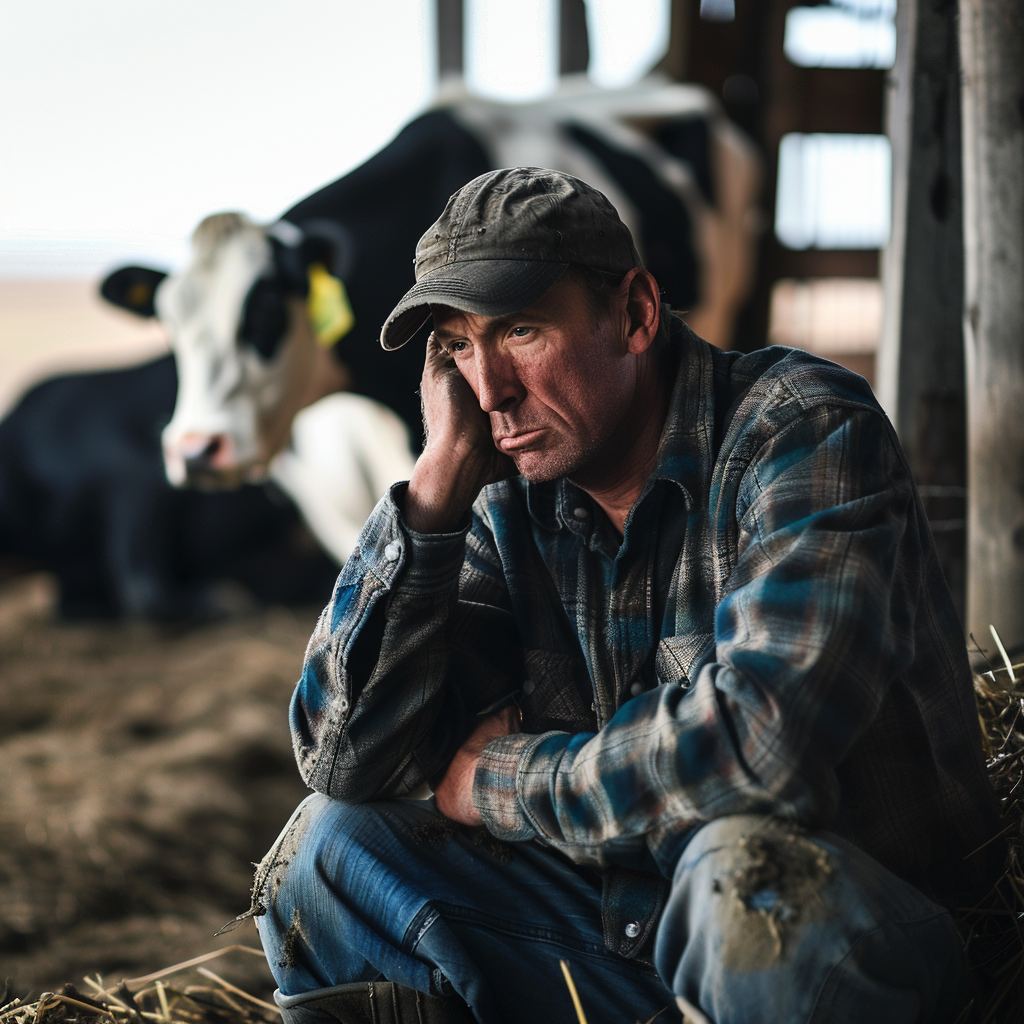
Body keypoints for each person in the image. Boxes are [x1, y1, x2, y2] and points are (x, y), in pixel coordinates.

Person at [253, 167, 1002, 1024]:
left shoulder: (802, 429)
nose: (489, 391)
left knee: (739, 882)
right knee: (325, 851)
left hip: (842, 941)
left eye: (521, 330)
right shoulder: (505, 498)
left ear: (637, 313)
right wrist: (434, 489)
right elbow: (345, 760)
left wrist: (500, 779)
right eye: (459, 346)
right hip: (628, 940)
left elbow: (759, 753)